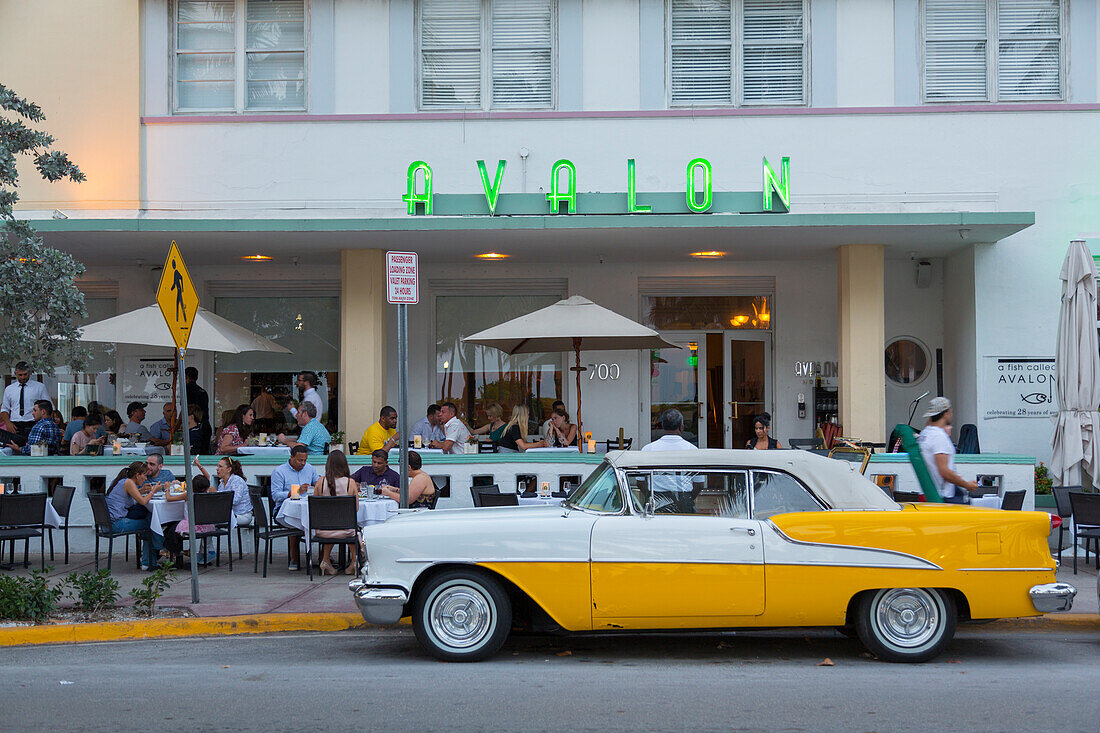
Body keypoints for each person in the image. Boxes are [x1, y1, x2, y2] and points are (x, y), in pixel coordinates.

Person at [917, 396, 978, 504]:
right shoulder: (939, 436)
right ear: (946, 414)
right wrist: (966, 485)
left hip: (926, 493)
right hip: (942, 496)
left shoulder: (924, 434)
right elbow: (944, 471)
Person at [104, 461, 164, 570]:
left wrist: (141, 490)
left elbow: (128, 495)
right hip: (116, 524)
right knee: (151, 523)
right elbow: (143, 501)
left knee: (149, 518)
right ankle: (156, 553)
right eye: (144, 475)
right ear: (137, 475)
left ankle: (150, 558)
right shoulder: (129, 482)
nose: (146, 478)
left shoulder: (122, 481)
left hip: (107, 523)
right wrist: (153, 491)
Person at [269, 444, 318, 570]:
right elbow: (275, 495)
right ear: (291, 457)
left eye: (305, 460)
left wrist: (319, 485)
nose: (303, 463)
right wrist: (295, 492)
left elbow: (317, 483)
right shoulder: (279, 471)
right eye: (299, 460)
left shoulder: (309, 468)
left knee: (323, 520)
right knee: (294, 520)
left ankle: (324, 558)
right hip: (283, 511)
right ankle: (294, 558)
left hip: (308, 508)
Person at [312, 449, 359, 576]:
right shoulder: (350, 482)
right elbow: (356, 509)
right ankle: (354, 561)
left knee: (333, 525)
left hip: (323, 531)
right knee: (354, 529)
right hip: (345, 530)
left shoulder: (320, 482)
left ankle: (325, 561)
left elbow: (315, 507)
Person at [195, 455, 253, 527]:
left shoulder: (236, 480)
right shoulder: (222, 483)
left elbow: (235, 500)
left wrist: (217, 494)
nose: (217, 469)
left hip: (242, 515)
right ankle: (206, 537)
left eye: (220, 466)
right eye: (217, 466)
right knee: (207, 517)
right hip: (229, 514)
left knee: (210, 520)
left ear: (229, 469)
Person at [1, 361, 51, 435]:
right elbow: (5, 409)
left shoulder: (39, 387)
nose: (23, 377)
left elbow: (48, 407)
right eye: (20, 375)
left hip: (33, 422)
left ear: (29, 373)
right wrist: (8, 423)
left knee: (33, 446)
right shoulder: (9, 389)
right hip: (15, 424)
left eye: (25, 374)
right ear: (15, 374)